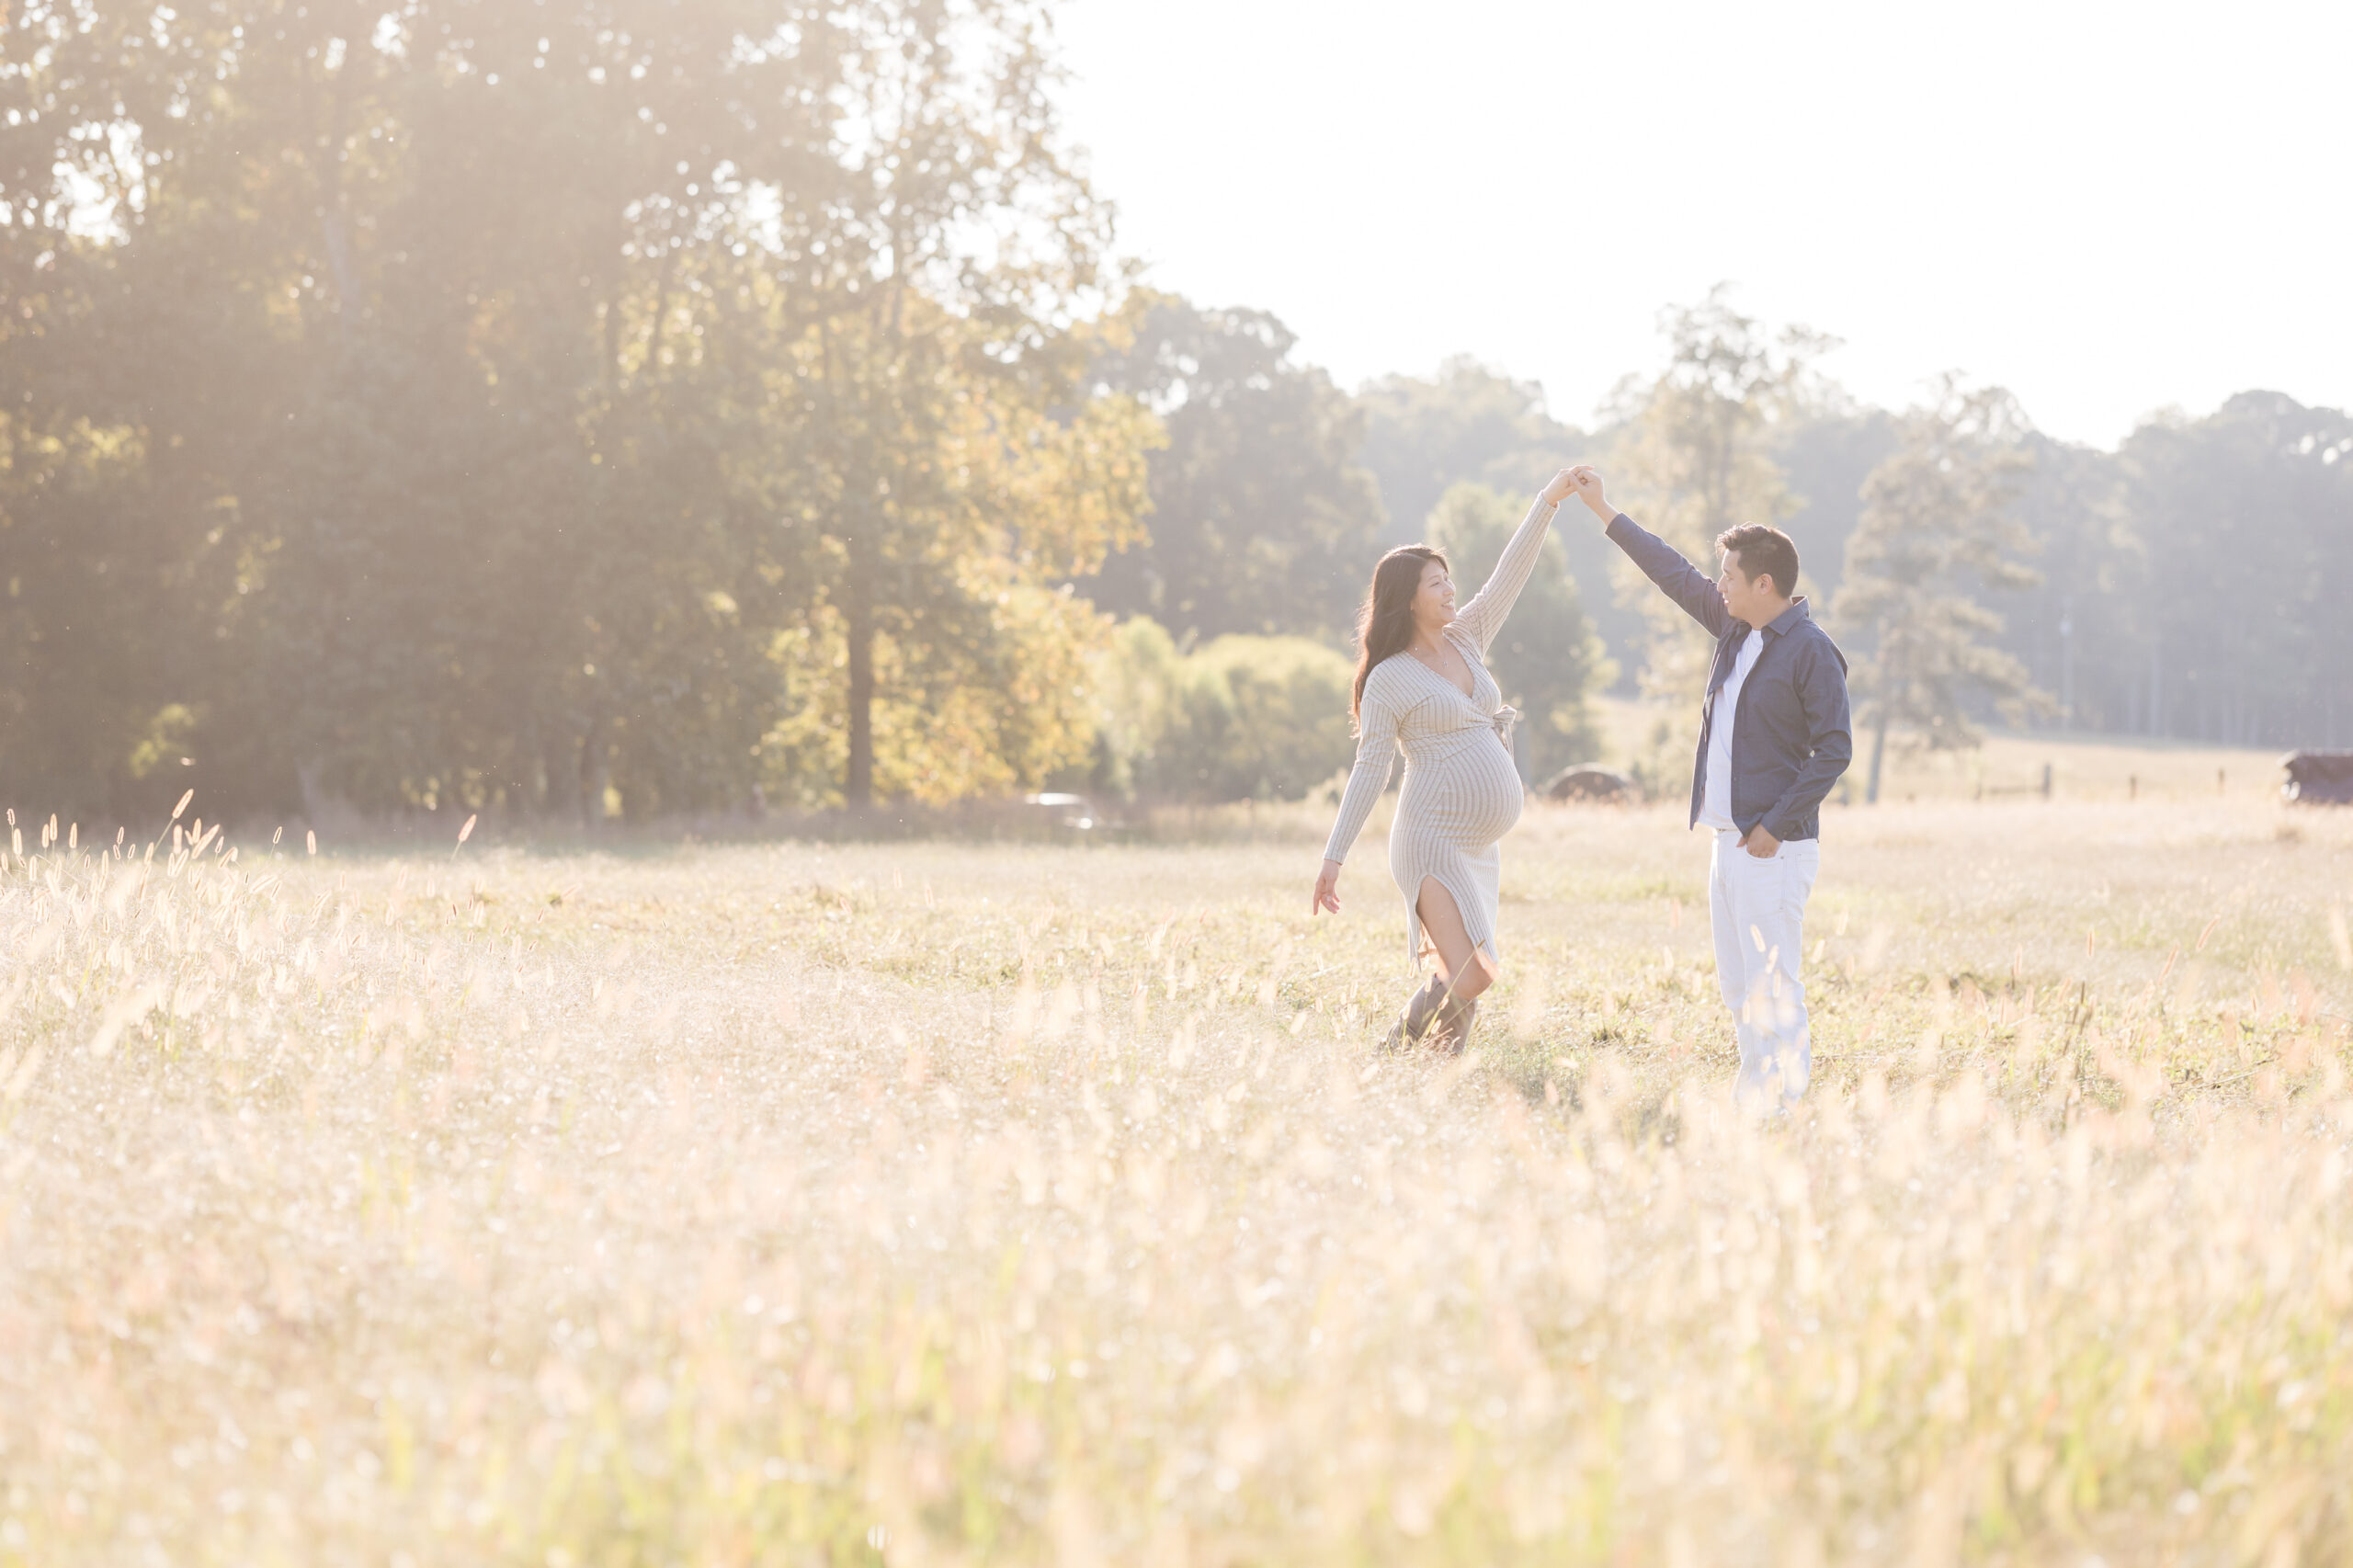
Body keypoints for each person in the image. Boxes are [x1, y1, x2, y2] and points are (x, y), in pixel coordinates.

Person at [1564, 465, 1851, 1111]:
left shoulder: (1810, 650)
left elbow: (1835, 750)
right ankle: (1755, 1102)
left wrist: (1774, 827)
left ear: (1764, 583)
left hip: (1771, 848)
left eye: (1728, 576)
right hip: (1728, 841)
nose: (1716, 584)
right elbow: (1670, 572)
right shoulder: (1733, 629)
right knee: (1738, 986)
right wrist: (1605, 511)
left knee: (1772, 985)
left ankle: (1780, 1110)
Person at [1313, 469, 1581, 1051]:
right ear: (1407, 599)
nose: (1450, 590)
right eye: (1436, 584)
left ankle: (1434, 1068)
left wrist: (1547, 503)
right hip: (1430, 841)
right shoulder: (1387, 679)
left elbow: (1511, 573)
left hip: (1479, 848)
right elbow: (1370, 770)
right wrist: (1334, 857)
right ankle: (1398, 1047)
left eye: (1448, 579)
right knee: (1474, 973)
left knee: (1461, 974)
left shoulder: (1467, 638)